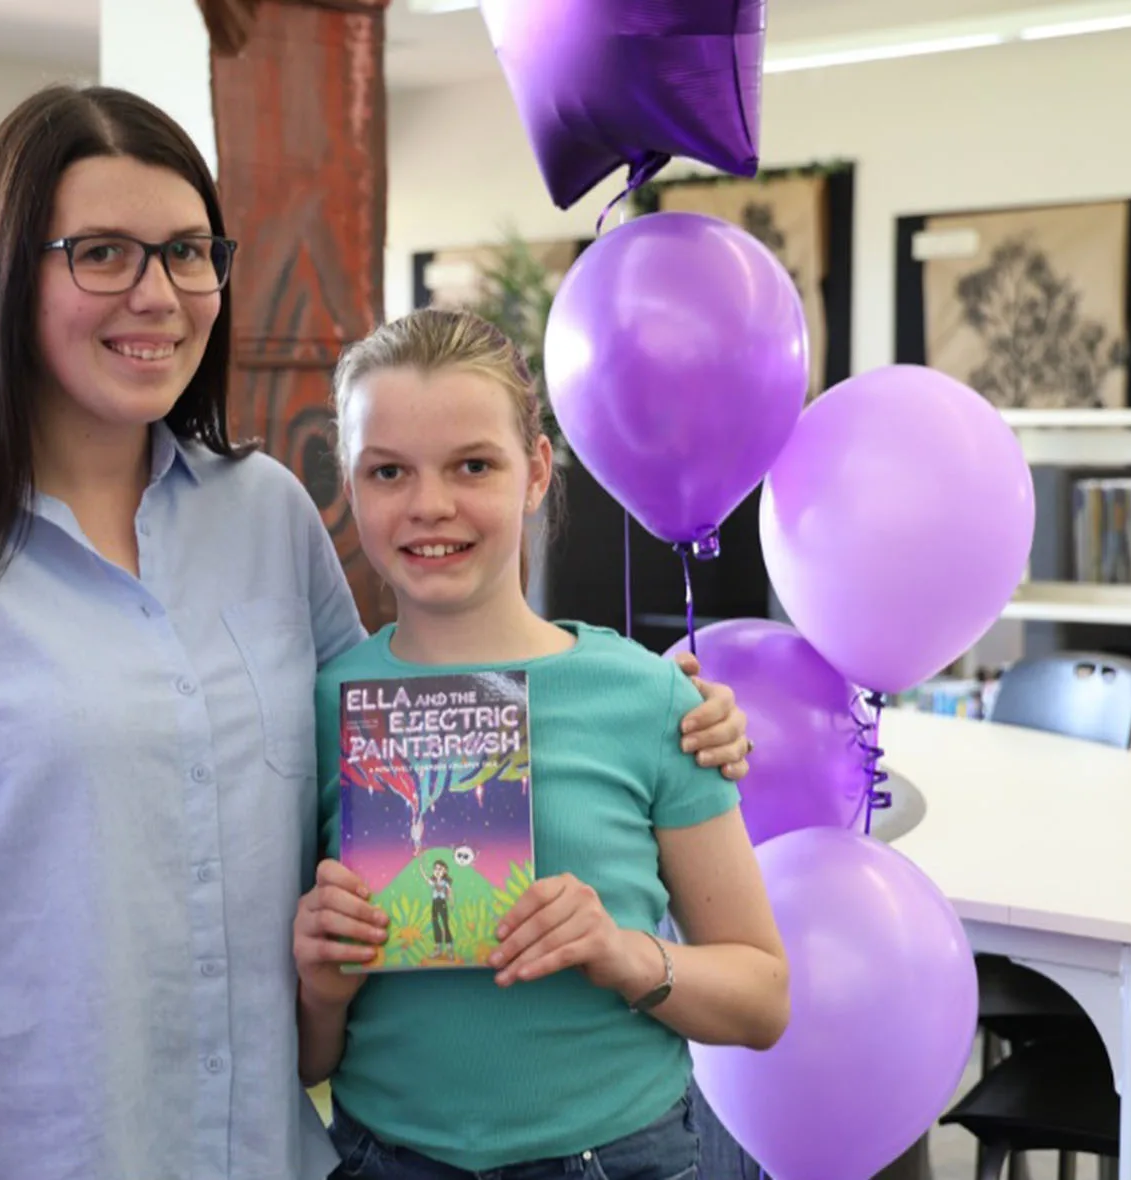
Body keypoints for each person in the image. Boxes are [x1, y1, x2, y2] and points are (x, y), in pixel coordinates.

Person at [0, 84, 756, 1180]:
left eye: (188, 251)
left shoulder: (265, 512)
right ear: (5, 271)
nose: (159, 294)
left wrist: (657, 710)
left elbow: (394, 743)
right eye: (102, 253)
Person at [293, 309, 790, 1180]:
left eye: (473, 465)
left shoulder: (649, 697)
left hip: (618, 1157)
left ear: (536, 472)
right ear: (351, 482)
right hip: (383, 1156)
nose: (429, 505)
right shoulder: (319, 708)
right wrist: (323, 991)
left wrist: (626, 953)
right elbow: (307, 1062)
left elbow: (763, 1001)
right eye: (389, 471)